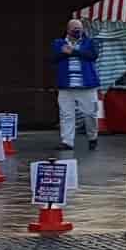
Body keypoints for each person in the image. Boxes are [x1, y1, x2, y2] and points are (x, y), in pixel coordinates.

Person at [50, 18, 101, 151]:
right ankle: (67, 141)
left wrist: (73, 52)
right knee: (66, 114)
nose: (77, 31)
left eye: (79, 29)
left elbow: (93, 55)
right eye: (74, 29)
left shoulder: (89, 42)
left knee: (90, 114)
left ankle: (92, 136)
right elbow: (54, 57)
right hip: (66, 86)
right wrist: (63, 52)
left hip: (87, 86)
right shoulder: (58, 43)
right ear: (68, 30)